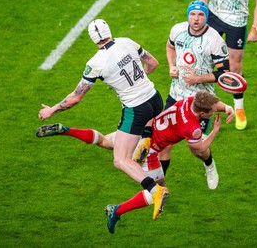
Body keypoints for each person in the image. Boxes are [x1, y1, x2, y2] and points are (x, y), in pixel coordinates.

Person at [36, 90, 235, 233]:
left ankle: (67, 130)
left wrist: (226, 108)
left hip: (137, 133)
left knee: (105, 141)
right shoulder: (192, 127)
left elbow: (211, 102)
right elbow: (199, 148)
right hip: (150, 151)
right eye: (209, 113)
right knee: (158, 193)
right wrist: (215, 131)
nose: (212, 114)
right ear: (202, 114)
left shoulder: (190, 100)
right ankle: (116, 210)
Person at [37, 19, 168, 220]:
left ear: (92, 38)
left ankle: (155, 190)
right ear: (109, 30)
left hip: (136, 109)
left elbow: (76, 97)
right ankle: (146, 138)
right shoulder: (127, 41)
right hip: (155, 98)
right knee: (111, 141)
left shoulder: (94, 64)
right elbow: (153, 63)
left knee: (120, 159)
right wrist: (141, 78)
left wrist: (53, 109)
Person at [161, 0, 234, 189]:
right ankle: (158, 187)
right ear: (188, 15)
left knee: (198, 149)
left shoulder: (215, 40)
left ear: (206, 17)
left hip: (201, 100)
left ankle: (209, 166)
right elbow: (170, 47)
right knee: (164, 143)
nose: (196, 19)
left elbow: (224, 74)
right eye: (193, 14)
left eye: (201, 15)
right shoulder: (177, 30)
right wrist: (172, 66)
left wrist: (198, 78)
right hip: (176, 95)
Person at [198, 0, 257, 130]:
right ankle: (202, 109)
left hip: (237, 20)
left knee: (235, 67)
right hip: (214, 15)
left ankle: (239, 109)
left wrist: (255, 28)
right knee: (203, 61)